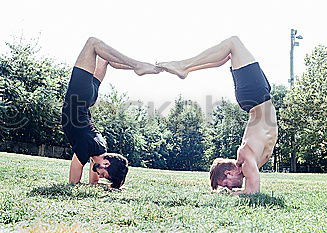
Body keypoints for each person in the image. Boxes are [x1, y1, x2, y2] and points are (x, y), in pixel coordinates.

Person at [157, 36, 278, 194]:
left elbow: (251, 192)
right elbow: (252, 191)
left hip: (255, 97)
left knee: (233, 43)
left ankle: (184, 66)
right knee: (230, 54)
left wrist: (231, 194)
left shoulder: (246, 159)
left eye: (226, 184)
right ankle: (186, 68)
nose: (231, 187)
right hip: (261, 97)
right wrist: (233, 193)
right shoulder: (247, 164)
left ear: (229, 173)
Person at [61, 37, 162, 189]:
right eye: (103, 174)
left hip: (89, 98)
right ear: (107, 163)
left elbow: (93, 183)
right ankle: (137, 65)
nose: (99, 175)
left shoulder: (101, 149)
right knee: (92, 43)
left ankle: (144, 67)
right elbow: (72, 183)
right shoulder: (86, 148)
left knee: (103, 59)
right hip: (78, 97)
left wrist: (112, 186)